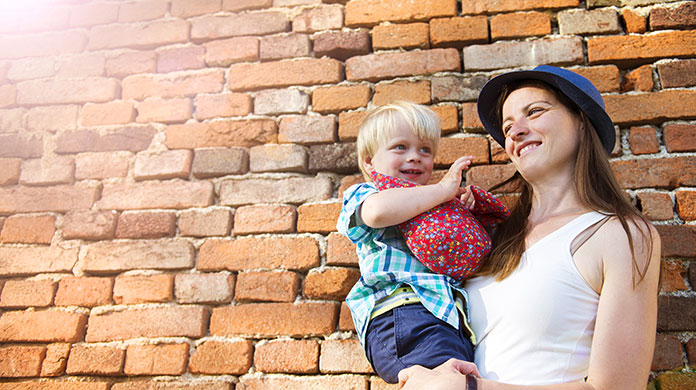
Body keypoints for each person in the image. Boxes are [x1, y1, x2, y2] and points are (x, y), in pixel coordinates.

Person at [398, 65, 661, 390]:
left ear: (581, 121)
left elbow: (617, 387)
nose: (515, 131)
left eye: (534, 112)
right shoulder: (492, 240)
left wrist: (470, 389)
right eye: (508, 126)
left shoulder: (619, 234)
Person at [336, 101, 506, 383]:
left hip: (447, 321)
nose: (414, 157)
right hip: (401, 314)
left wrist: (467, 214)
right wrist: (441, 191)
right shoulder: (367, 192)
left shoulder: (437, 205)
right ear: (369, 161)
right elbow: (378, 212)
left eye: (424, 150)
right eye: (400, 147)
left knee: (459, 382)